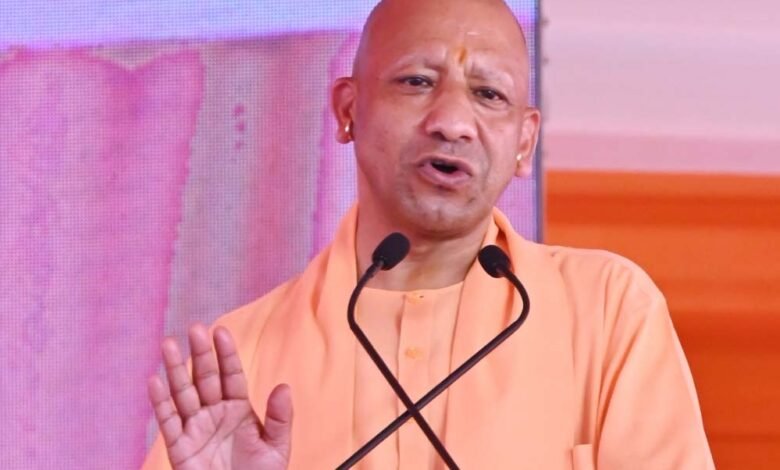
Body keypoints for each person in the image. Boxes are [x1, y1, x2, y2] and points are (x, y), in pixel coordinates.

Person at [142, 0, 715, 468]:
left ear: (524, 142)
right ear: (348, 109)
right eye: (417, 81)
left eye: (489, 95)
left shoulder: (608, 311)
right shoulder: (237, 361)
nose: (453, 123)